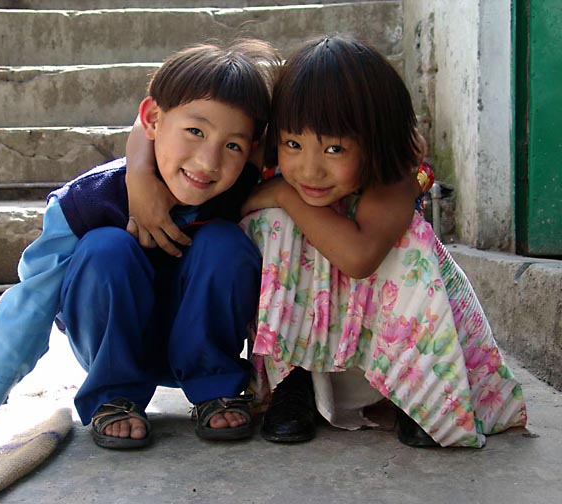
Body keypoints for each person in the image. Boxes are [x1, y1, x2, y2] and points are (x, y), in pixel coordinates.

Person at [124, 35, 527, 448]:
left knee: (401, 242)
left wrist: (282, 193)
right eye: (293, 144)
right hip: (317, 341)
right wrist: (137, 174)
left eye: (335, 148)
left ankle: (418, 397)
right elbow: (160, 112)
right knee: (274, 225)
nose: (309, 169)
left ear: (374, 141)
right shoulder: (273, 145)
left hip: (400, 349)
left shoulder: (393, 178)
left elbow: (358, 257)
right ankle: (292, 381)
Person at [0, 39, 280, 462]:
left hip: (201, 342)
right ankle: (114, 396)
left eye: (233, 145)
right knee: (105, 247)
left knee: (227, 244)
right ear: (152, 119)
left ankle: (215, 388)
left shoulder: (245, 189)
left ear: (252, 151)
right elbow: (29, 307)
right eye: (195, 132)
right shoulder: (86, 201)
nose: (208, 162)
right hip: (113, 343)